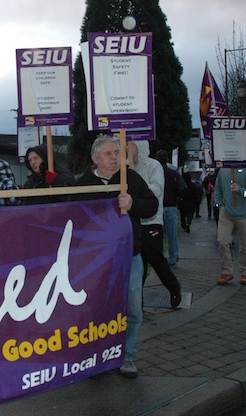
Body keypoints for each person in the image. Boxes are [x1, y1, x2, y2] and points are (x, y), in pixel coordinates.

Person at [71, 135, 158, 378]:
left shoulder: (130, 178)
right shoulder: (82, 185)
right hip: (96, 262)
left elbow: (152, 205)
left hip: (130, 255)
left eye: (117, 154)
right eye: (108, 154)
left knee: (132, 309)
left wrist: (133, 203)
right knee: (97, 311)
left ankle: (127, 356)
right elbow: (71, 218)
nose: (114, 159)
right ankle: (98, 357)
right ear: (95, 158)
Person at [129, 141, 181, 309]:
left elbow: (158, 189)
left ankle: (174, 288)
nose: (127, 148)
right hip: (133, 222)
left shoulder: (154, 165)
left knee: (156, 259)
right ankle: (138, 301)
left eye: (130, 145)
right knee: (138, 263)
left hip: (152, 221)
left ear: (139, 146)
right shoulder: (125, 167)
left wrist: (136, 191)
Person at [214, 167, 246, 286]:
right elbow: (217, 189)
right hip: (226, 212)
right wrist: (220, 205)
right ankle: (226, 271)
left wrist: (240, 190)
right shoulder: (223, 171)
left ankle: (245, 273)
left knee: (245, 244)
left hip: (244, 214)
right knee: (222, 241)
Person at [155, 150, 186, 266]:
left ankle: (159, 258)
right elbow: (183, 187)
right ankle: (173, 256)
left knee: (157, 235)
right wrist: (176, 196)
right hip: (171, 206)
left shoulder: (154, 173)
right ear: (167, 159)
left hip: (157, 207)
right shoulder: (173, 173)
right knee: (171, 234)